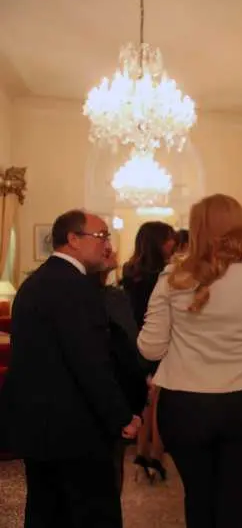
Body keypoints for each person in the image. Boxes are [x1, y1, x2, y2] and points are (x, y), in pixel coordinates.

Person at [138, 194, 242, 528]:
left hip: (185, 402)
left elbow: (150, 349)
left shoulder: (172, 278)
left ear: (197, 230)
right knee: (235, 497)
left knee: (198, 496)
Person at [0, 210, 141, 528]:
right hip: (76, 429)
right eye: (101, 236)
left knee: (46, 511)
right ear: (73, 239)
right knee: (90, 514)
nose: (107, 245)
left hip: (39, 426)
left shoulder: (37, 281)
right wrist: (121, 415)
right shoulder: (74, 288)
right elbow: (90, 363)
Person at [121, 221, 175, 482]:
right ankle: (156, 457)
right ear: (160, 242)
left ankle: (141, 455)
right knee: (161, 402)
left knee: (146, 401)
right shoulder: (165, 275)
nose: (173, 243)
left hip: (136, 341)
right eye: (169, 238)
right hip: (161, 340)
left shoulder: (130, 271)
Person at [93, 250, 148, 494]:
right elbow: (130, 348)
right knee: (109, 477)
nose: (111, 248)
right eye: (102, 238)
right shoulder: (113, 299)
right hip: (110, 392)